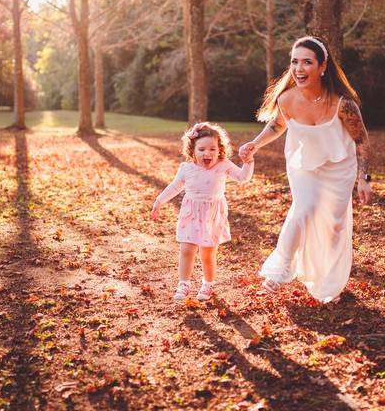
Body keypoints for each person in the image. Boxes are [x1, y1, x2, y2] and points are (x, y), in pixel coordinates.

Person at [238, 35, 373, 303]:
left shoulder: (342, 104)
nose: (298, 69)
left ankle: (327, 284)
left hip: (339, 168)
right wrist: (254, 144)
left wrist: (364, 178)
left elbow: (361, 140)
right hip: (304, 167)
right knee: (305, 208)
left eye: (307, 62)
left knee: (332, 227)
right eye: (294, 62)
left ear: (322, 67)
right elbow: (277, 125)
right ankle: (279, 270)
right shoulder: (287, 99)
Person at [152, 122, 254, 301]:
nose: (207, 153)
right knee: (186, 249)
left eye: (212, 149)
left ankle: (208, 285)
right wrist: (159, 201)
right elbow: (175, 186)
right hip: (191, 213)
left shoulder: (223, 165)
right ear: (193, 151)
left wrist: (248, 162)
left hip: (212, 215)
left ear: (219, 150)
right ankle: (184, 283)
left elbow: (243, 177)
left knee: (207, 253)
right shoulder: (187, 168)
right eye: (202, 149)